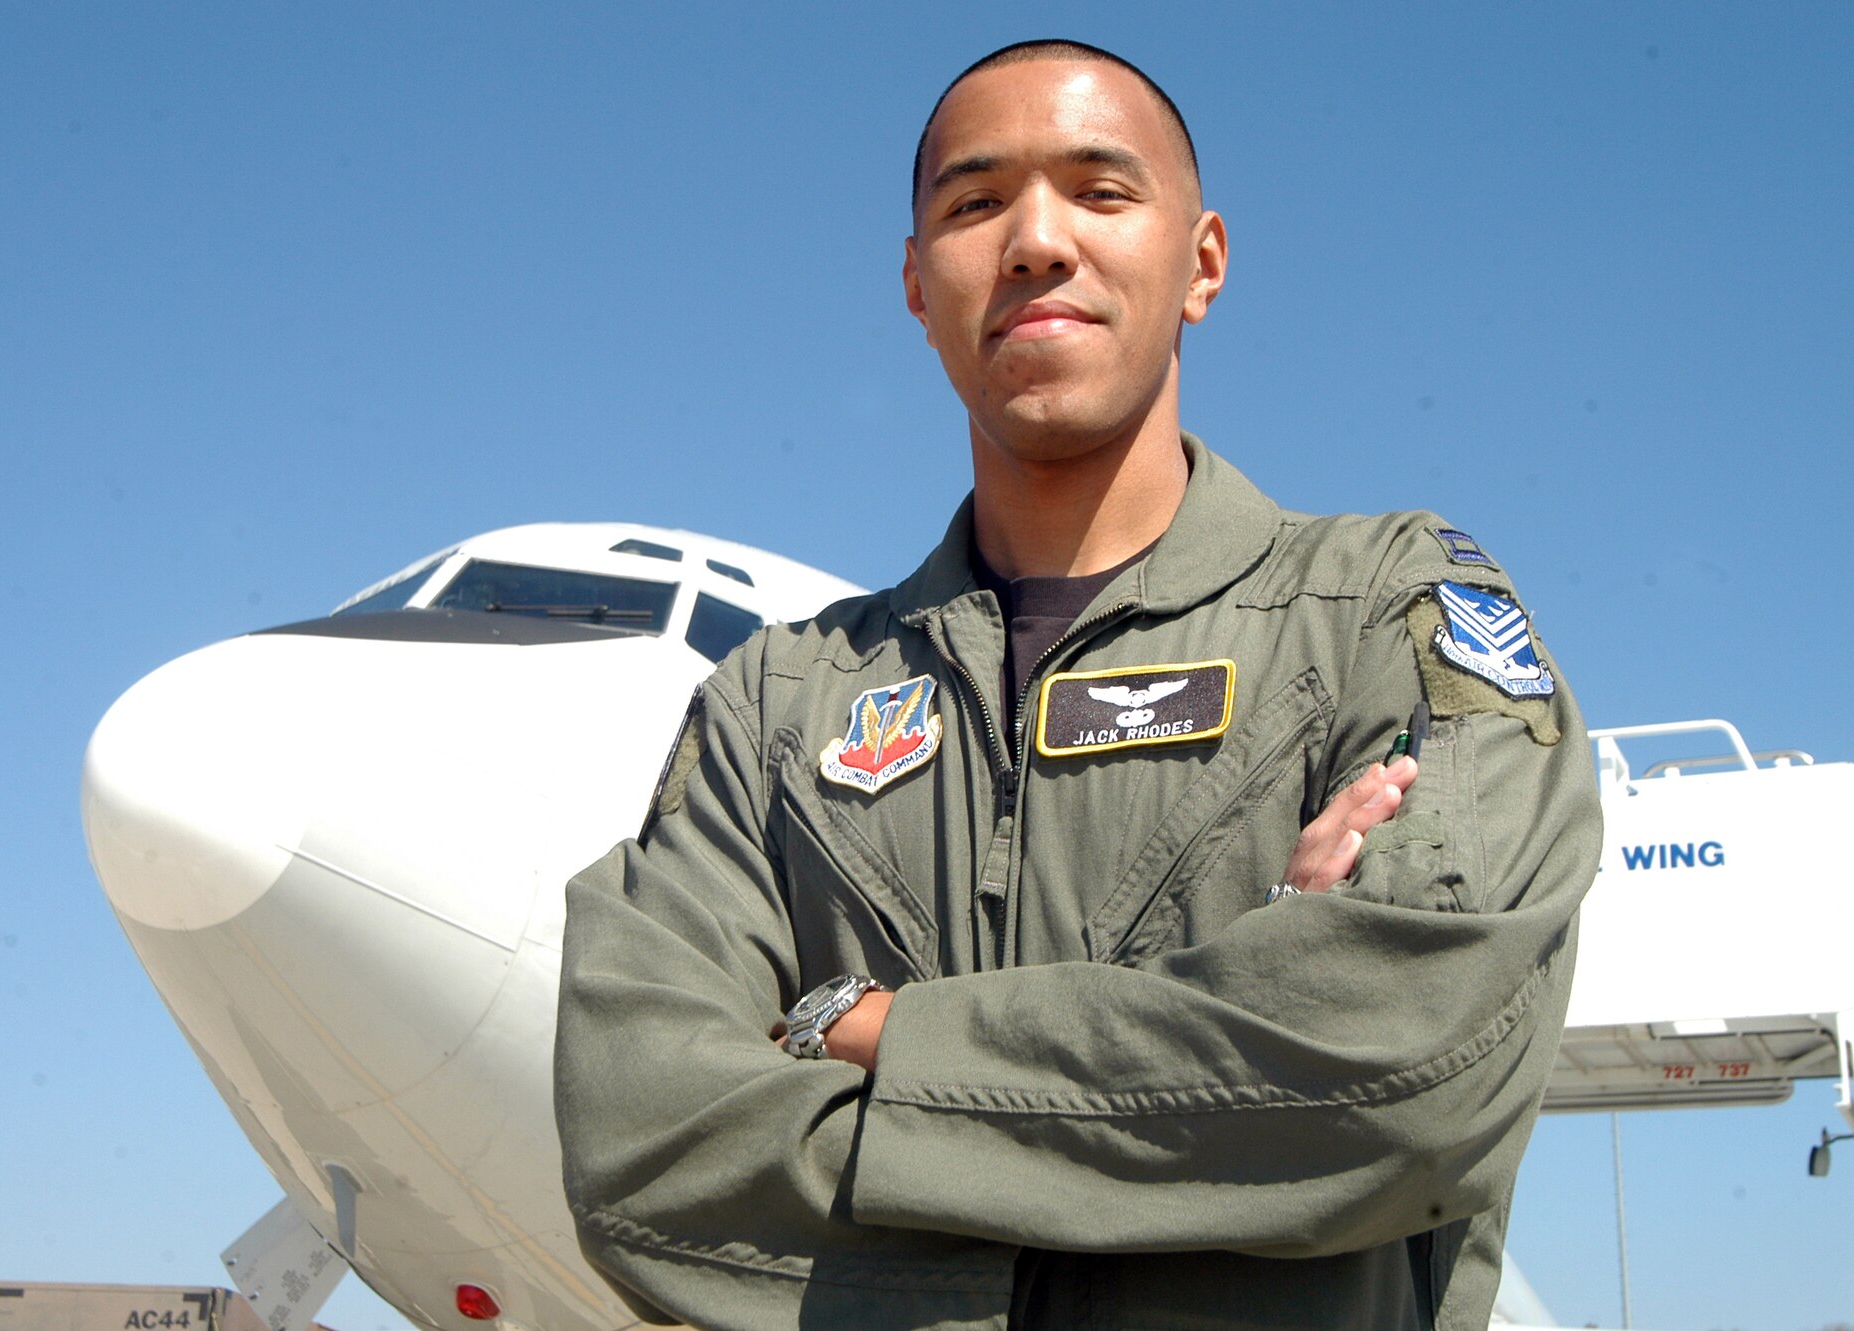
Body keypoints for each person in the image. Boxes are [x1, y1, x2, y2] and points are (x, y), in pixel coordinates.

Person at [555, 38, 1602, 1331]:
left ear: (1202, 263)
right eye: (973, 203)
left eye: (1101, 193)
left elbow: (1410, 1054)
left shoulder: (1387, 609)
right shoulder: (774, 709)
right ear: (915, 284)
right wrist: (1233, 1077)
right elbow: (645, 1153)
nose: (1036, 241)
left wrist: (863, 1032)